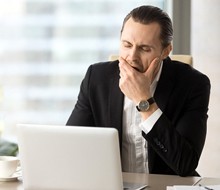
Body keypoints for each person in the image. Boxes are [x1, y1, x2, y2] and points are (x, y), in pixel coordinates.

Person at [66, 5, 210, 177]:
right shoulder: (96, 78)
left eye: (144, 49)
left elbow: (185, 164)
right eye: (127, 45)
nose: (132, 57)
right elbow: (71, 146)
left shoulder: (193, 84)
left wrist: (145, 101)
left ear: (166, 51)